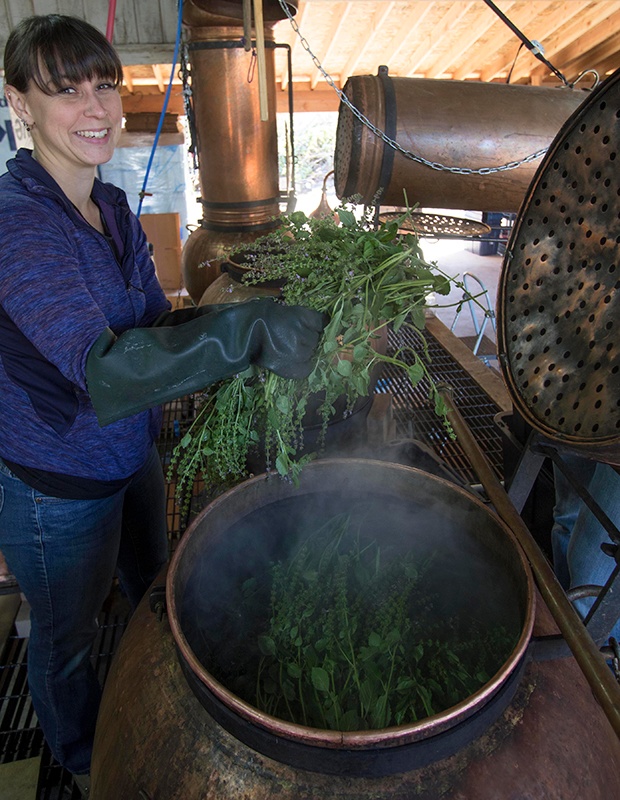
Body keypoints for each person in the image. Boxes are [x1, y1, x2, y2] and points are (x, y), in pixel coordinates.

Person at [0, 13, 323, 792]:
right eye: (66, 90)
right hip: (57, 482)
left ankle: (161, 706)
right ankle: (82, 760)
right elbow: (106, 370)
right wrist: (247, 334)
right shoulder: (19, 226)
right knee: (67, 638)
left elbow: (153, 324)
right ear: (19, 105)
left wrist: (247, 314)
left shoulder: (109, 209)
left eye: (104, 84)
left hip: (129, 452)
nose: (97, 107)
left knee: (155, 587)